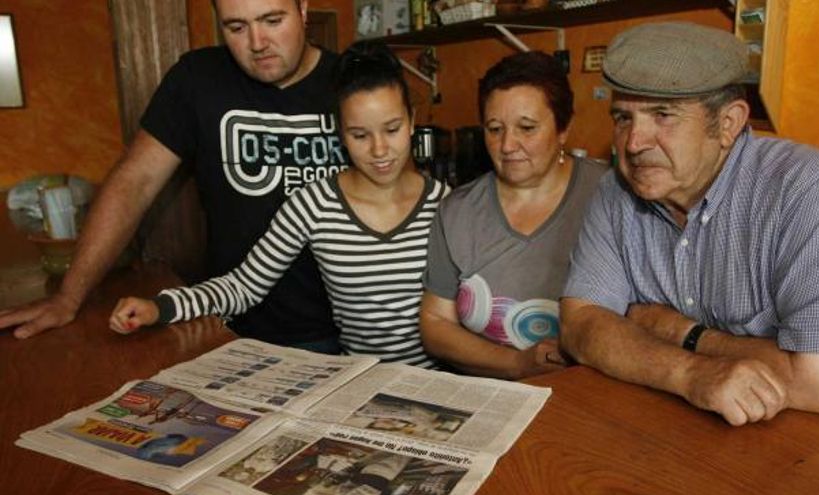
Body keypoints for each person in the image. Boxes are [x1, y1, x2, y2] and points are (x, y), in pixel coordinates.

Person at [560, 22, 819, 425]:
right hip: (688, 427)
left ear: (728, 124)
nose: (634, 142)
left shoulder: (813, 190)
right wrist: (689, 373)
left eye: (663, 115)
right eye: (623, 118)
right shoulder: (616, 190)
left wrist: (678, 332)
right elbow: (580, 325)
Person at [0, 0, 344, 352]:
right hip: (227, 325)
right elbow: (135, 183)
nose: (257, 43)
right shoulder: (198, 79)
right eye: (236, 28)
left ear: (303, 9)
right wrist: (68, 297)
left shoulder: (353, 82)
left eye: (272, 20)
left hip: (347, 330)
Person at [110, 41, 448, 368]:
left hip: (443, 383)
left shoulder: (446, 205)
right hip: (357, 385)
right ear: (340, 133)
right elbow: (243, 286)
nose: (379, 150)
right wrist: (161, 308)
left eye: (392, 129)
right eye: (359, 135)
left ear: (412, 120)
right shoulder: (313, 204)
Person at [419, 51, 607, 379]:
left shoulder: (609, 196)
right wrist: (517, 363)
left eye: (527, 128)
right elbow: (435, 324)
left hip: (589, 396)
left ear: (563, 128)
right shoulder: (458, 210)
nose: (507, 145)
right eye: (494, 128)